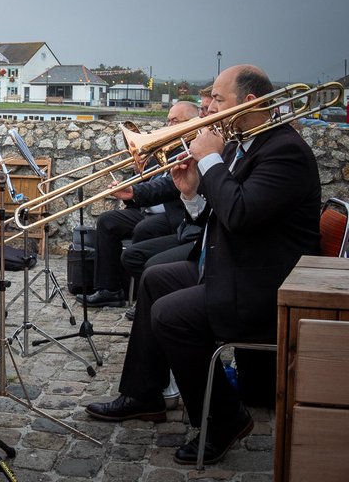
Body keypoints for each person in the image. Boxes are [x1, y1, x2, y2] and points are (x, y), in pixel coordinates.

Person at [84, 65, 320, 466]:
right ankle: (144, 395)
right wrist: (192, 193)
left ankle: (224, 419)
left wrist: (210, 160)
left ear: (250, 103)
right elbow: (217, 216)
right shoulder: (243, 144)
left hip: (264, 285)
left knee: (171, 315)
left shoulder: (284, 150)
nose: (209, 107)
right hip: (232, 267)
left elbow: (241, 214)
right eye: (209, 98)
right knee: (157, 278)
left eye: (218, 100)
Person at [76, 101, 199, 308]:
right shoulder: (164, 147)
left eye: (174, 121)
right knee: (107, 221)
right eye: (168, 120)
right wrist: (137, 170)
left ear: (192, 123)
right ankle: (109, 289)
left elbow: (167, 186)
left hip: (172, 215)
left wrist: (135, 191)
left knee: (144, 228)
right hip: (146, 209)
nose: (168, 125)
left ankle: (144, 298)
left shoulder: (189, 149)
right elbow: (149, 180)